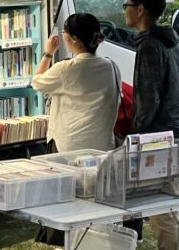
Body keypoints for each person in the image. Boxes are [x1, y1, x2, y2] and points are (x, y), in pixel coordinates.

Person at [123, 0, 179, 250]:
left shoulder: (150, 46)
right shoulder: (168, 40)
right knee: (168, 198)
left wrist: (135, 136)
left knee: (159, 204)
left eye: (127, 5)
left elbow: (148, 97)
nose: (125, 11)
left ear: (140, 9)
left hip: (163, 136)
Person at [30, 13, 120, 152]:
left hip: (69, 147)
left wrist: (48, 53)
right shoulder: (112, 67)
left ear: (74, 38)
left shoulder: (65, 69)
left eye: (64, 32)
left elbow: (36, 82)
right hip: (103, 146)